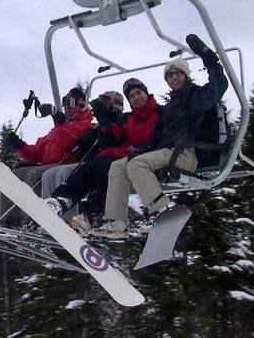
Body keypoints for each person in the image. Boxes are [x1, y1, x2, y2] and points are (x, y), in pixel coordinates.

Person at [91, 34, 229, 239]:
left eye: (178, 73)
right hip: (166, 152)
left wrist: (210, 60)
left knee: (137, 165)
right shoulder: (170, 107)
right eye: (170, 75)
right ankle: (116, 222)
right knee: (118, 166)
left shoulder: (196, 97)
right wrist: (143, 150)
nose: (174, 77)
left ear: (186, 76)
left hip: (184, 153)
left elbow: (219, 86)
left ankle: (161, 213)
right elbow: (158, 135)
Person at [45, 78, 159, 235]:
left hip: (135, 158)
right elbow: (110, 139)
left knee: (107, 166)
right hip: (112, 157)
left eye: (138, 93)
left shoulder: (156, 113)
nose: (136, 98)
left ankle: (91, 215)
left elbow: (145, 138)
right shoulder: (126, 120)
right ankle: (61, 200)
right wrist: (103, 126)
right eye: (131, 96)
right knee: (91, 166)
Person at [0, 87, 93, 226]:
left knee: (34, 175)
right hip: (48, 166)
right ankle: (9, 222)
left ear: (81, 104)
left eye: (71, 102)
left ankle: (30, 222)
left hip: (67, 167)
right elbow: (37, 154)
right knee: (14, 176)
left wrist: (59, 119)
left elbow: (69, 142)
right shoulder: (56, 129)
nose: (66, 106)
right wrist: (19, 145)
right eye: (64, 102)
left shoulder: (84, 125)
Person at [39, 91, 125, 222]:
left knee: (64, 171)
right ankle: (54, 204)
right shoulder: (96, 128)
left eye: (105, 102)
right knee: (49, 174)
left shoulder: (120, 122)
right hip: (92, 161)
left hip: (109, 161)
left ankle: (67, 218)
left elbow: (112, 140)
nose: (67, 107)